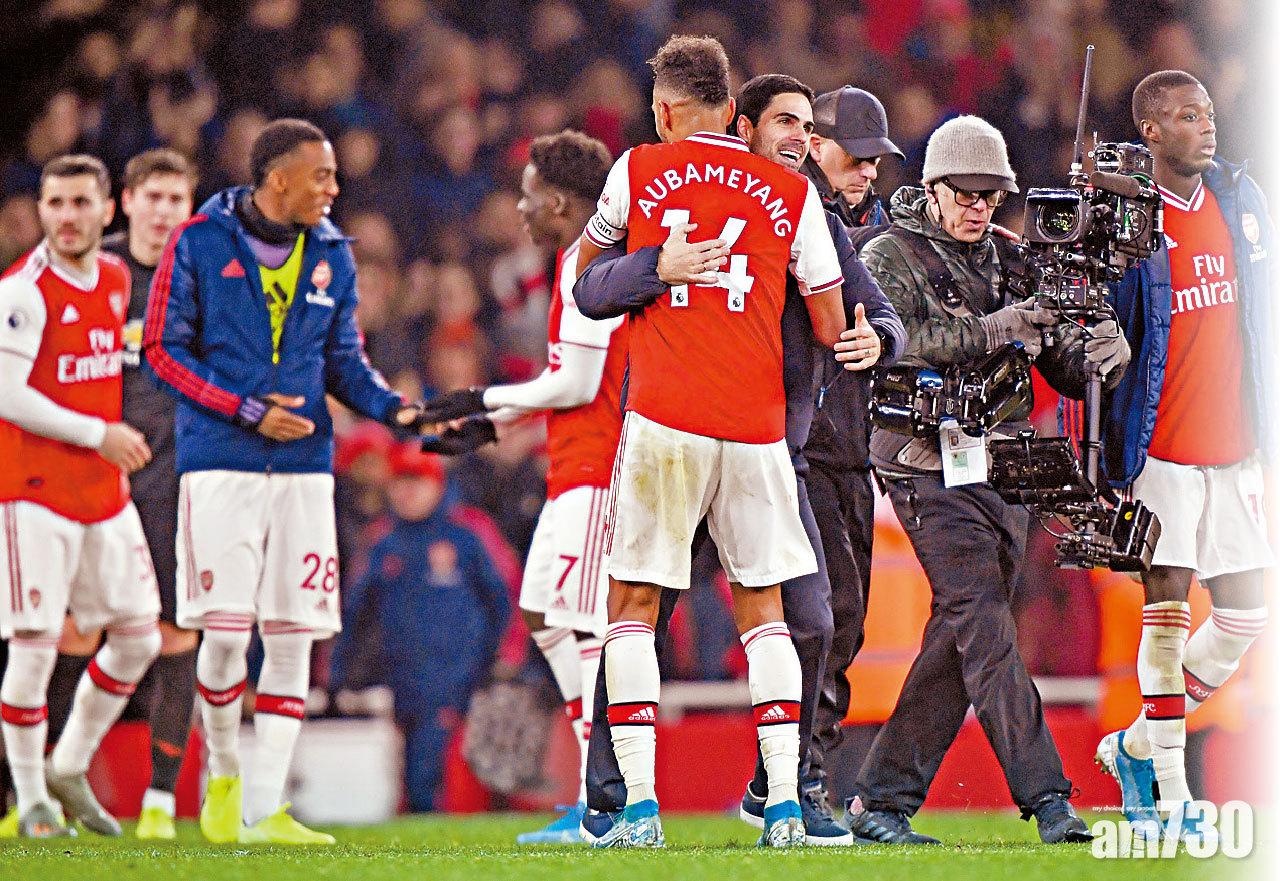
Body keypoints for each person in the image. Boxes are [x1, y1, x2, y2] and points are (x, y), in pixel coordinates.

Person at [572, 73, 904, 848]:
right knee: (647, 612)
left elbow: (872, 309)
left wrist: (880, 337)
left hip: (769, 450)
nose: (798, 137)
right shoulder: (722, 197)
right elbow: (591, 283)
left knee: (809, 619)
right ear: (741, 126)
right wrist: (655, 266)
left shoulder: (802, 208)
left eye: (807, 126)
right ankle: (612, 795)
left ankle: (779, 787)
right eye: (786, 122)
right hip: (705, 433)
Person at [848, 115, 1129, 845]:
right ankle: (1049, 799)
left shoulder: (1012, 255)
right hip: (920, 462)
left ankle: (881, 801)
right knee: (983, 620)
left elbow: (1061, 356)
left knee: (963, 631)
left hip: (1004, 465)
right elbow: (899, 342)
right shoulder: (887, 254)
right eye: (965, 194)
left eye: (991, 195)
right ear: (933, 188)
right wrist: (1002, 326)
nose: (979, 207)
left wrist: (1100, 350)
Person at [143, 118, 425, 845]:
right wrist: (245, 409)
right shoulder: (198, 242)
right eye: (320, 175)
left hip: (303, 470)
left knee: (295, 636)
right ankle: (224, 771)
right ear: (278, 179)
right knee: (225, 636)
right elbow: (162, 351)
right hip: (220, 464)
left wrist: (394, 410)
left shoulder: (332, 252)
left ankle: (265, 809)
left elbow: (344, 360)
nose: (334, 187)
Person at [415, 129, 624, 844]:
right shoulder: (579, 259)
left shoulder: (589, 262)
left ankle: (607, 797)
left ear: (560, 202)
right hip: (573, 465)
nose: (520, 207)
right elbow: (566, 381)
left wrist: (485, 398)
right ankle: (603, 789)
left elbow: (579, 383)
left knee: (586, 628)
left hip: (598, 470)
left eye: (529, 195)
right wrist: (491, 423)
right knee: (543, 613)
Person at [1096, 70, 1273, 844]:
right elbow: (1100, 325)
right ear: (1152, 132)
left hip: (1235, 446)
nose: (1206, 125)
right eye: (1186, 116)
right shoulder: (1130, 220)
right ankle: (1171, 790)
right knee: (1166, 614)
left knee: (1244, 614)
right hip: (1160, 445)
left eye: (1207, 113)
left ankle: (1136, 746)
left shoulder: (1241, 199)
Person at [36, 148, 199, 841]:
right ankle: (37, 785)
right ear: (125, 202)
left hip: (175, 481)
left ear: (189, 209)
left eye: (176, 199)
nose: (163, 211)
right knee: (71, 632)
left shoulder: (200, 277)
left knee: (175, 635)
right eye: (152, 197)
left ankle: (160, 801)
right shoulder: (92, 271)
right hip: (91, 475)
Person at [0, 154, 162, 838]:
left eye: (79, 203)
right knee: (35, 646)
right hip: (33, 493)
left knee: (139, 637)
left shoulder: (117, 278)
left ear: (107, 210)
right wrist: (99, 433)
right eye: (55, 204)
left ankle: (68, 763)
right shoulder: (21, 291)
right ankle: (31, 798)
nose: (66, 217)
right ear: (41, 210)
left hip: (103, 494)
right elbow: (7, 395)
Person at [798, 85, 907, 803]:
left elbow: (894, 321)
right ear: (814, 146)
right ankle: (798, 776)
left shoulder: (880, 230)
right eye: (855, 156)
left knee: (847, 620)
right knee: (825, 613)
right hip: (795, 449)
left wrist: (885, 340)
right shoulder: (791, 218)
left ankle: (789, 775)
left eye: (876, 159)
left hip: (851, 454)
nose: (868, 170)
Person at [330, 444, 509, 813]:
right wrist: (339, 674)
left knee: (435, 762)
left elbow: (502, 598)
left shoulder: (467, 534)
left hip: (457, 675)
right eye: (401, 481)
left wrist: (499, 658)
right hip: (398, 675)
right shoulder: (382, 540)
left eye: (417, 481)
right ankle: (423, 820)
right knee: (409, 762)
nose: (407, 492)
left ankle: (432, 817)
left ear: (437, 485)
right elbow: (355, 612)